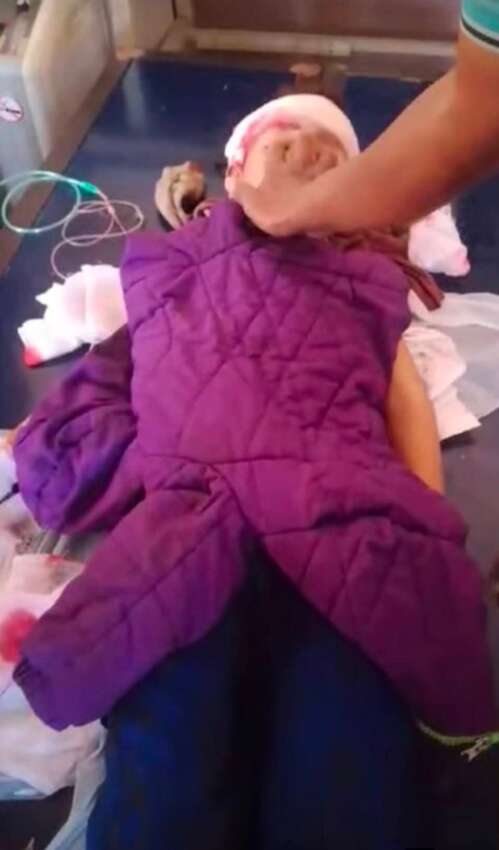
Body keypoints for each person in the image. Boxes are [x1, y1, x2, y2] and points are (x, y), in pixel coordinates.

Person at [13, 96, 495, 849]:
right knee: (171, 743)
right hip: (190, 531)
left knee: (345, 744)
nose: (306, 149)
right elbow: (89, 409)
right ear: (233, 177)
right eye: (284, 138)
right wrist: (170, 453)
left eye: (330, 155)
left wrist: (423, 527)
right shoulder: (172, 268)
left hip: (339, 518)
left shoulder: (362, 283)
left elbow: (403, 400)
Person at [233, 2, 499, 237]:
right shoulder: (214, 233)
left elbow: (478, 108)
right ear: (235, 174)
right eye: (283, 148)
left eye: (334, 158)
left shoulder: (375, 254)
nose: (307, 142)